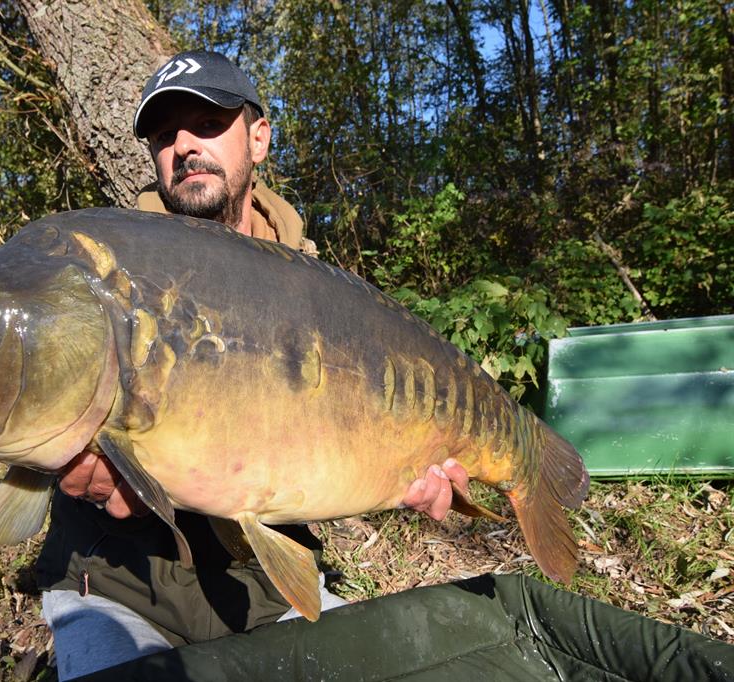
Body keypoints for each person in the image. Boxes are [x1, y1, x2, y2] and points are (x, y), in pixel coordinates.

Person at [34, 50, 469, 680]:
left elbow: (352, 450)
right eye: (164, 136)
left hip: (268, 588)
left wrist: (403, 465)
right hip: (115, 587)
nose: (185, 146)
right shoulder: (109, 273)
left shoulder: (325, 294)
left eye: (208, 124)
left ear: (258, 138)